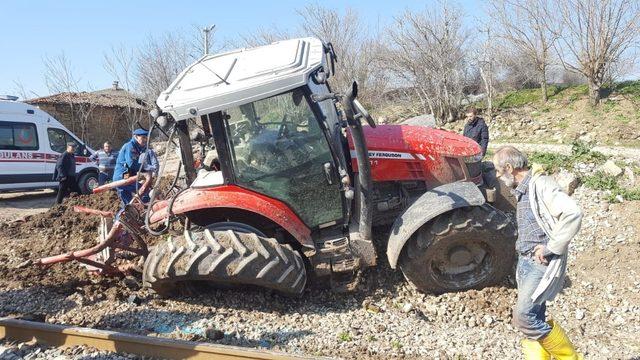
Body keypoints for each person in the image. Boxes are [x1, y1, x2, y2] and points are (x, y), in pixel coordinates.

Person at [493, 146, 583, 360]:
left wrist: (551, 247)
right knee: (534, 314)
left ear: (509, 168)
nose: (497, 176)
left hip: (540, 264)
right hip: (526, 262)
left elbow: (573, 213)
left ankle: (570, 358)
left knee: (524, 317)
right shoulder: (524, 189)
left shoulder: (541, 184)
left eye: (498, 170)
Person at [113, 128, 150, 207]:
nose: (145, 140)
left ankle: (122, 218)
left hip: (125, 176)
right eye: (142, 137)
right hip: (122, 176)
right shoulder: (130, 146)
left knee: (128, 205)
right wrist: (144, 170)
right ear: (136, 137)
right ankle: (149, 210)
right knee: (144, 190)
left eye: (146, 138)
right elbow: (131, 164)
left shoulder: (138, 148)